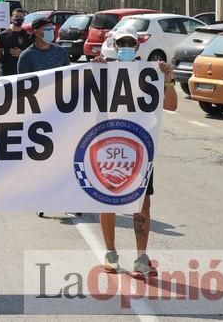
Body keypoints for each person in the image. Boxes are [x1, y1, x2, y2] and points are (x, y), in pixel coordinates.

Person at [93, 27, 178, 276]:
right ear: (115, 46)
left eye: (131, 42)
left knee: (142, 203)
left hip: (139, 148)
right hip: (108, 146)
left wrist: (169, 79)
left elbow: (171, 105)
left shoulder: (150, 73)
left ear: (138, 46)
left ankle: (141, 258)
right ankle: (110, 253)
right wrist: (93, 71)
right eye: (122, 43)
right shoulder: (104, 71)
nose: (127, 46)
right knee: (107, 200)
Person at [0, 9, 31, 76]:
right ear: (11, 18)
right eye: (16, 16)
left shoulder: (28, 35)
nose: (18, 19)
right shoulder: (3, 35)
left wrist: (22, 54)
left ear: (24, 19)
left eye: (21, 17)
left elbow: (32, 54)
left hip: (23, 71)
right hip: (6, 71)